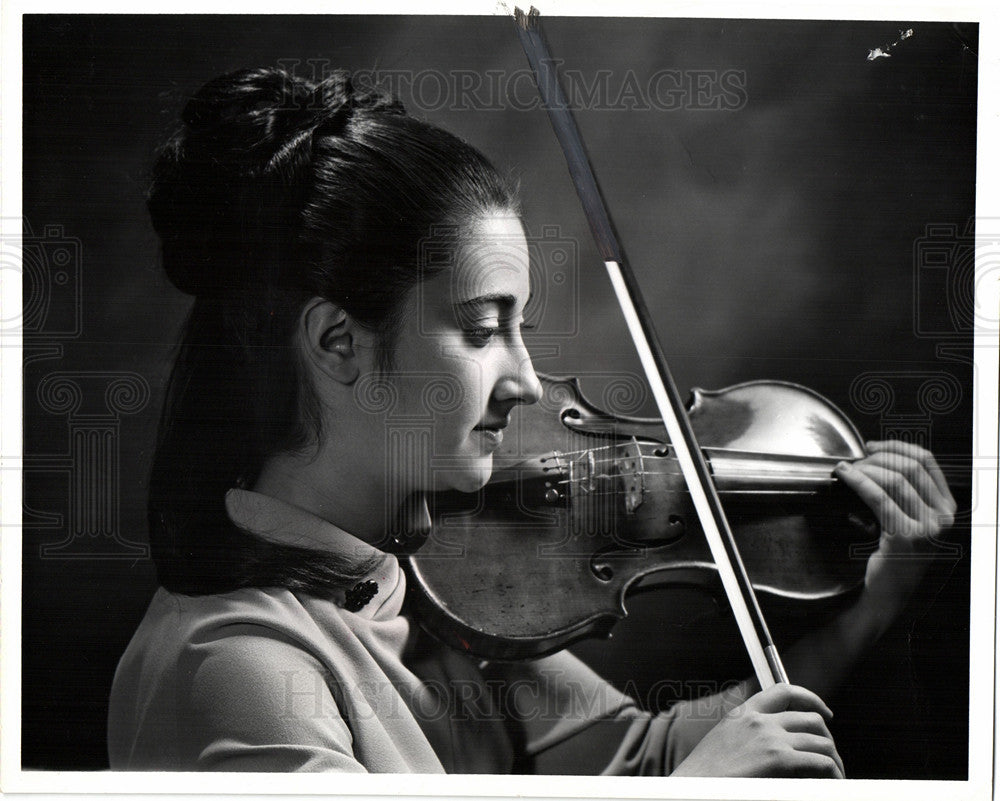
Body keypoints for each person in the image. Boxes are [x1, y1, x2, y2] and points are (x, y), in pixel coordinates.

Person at [107, 66, 957, 776]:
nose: (522, 377)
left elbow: (635, 759)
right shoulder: (237, 667)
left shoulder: (421, 572)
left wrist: (875, 601)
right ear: (337, 341)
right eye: (482, 329)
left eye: (520, 327)